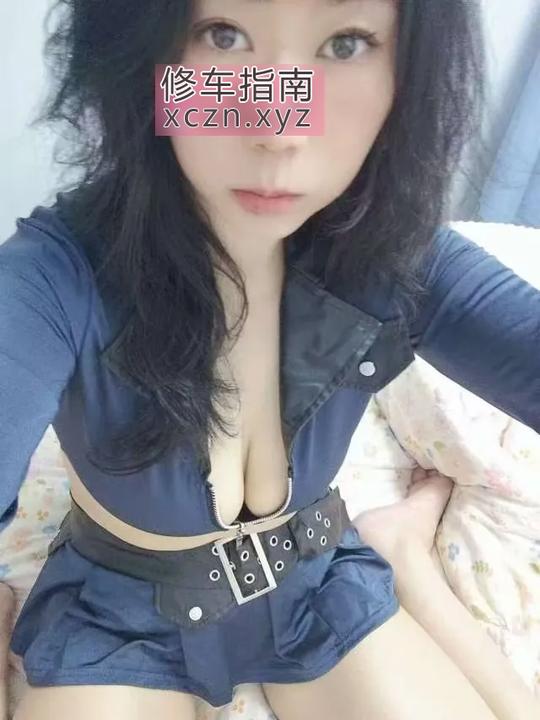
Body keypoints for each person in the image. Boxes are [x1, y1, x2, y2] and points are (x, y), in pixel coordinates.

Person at [0, 1, 539, 719]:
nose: (279, 129)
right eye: (223, 37)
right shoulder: (54, 274)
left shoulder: (392, 253)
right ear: (144, 56)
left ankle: (400, 552)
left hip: (312, 583)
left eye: (346, 44)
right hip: (118, 611)